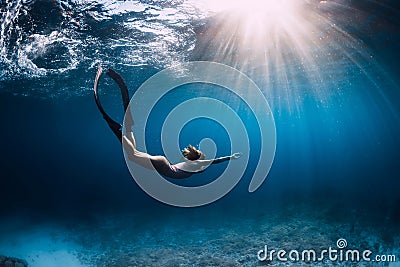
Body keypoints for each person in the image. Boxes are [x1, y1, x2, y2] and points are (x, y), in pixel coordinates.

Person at [94, 65, 242, 179]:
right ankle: (119, 129)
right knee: (132, 155)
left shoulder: (194, 165)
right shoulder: (197, 165)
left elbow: (212, 161)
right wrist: (230, 157)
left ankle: (128, 127)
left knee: (134, 153)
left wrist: (229, 158)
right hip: (165, 166)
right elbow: (215, 161)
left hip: (164, 165)